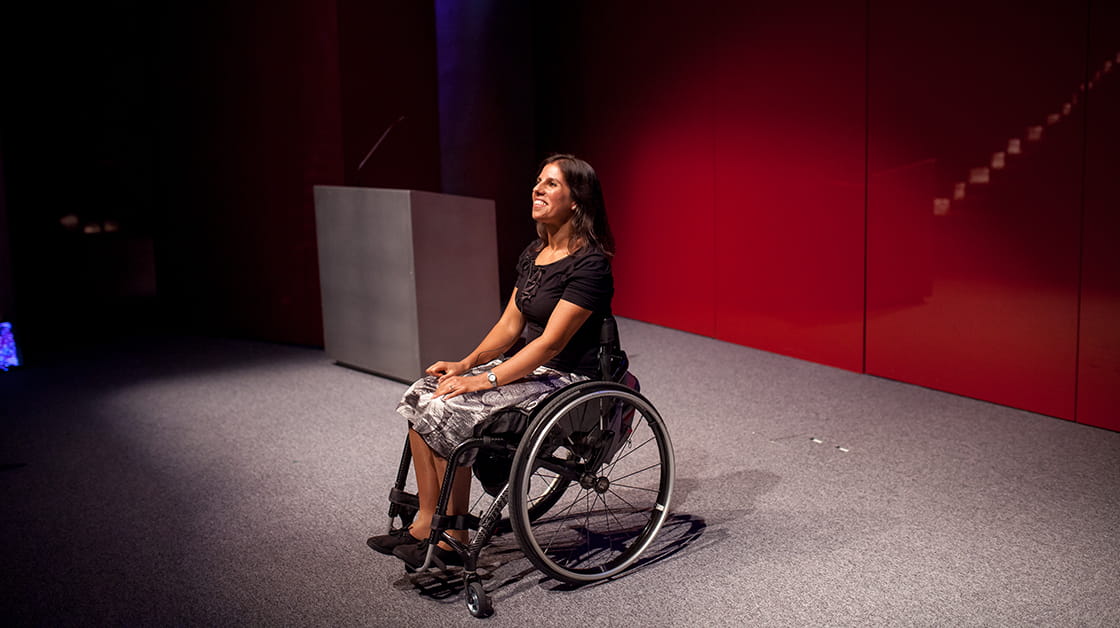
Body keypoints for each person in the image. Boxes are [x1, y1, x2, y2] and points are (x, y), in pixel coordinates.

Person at [367, 154, 615, 569]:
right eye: (538, 180)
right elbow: (508, 326)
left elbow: (550, 345)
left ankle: (454, 534)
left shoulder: (590, 264)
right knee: (423, 395)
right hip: (530, 366)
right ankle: (429, 523)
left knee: (453, 408)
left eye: (551, 184)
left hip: (568, 378)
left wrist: (485, 382)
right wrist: (465, 366)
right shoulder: (535, 253)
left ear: (577, 199)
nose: (537, 188)